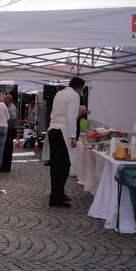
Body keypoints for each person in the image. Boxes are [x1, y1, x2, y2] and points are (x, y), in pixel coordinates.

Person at [47, 76, 84, 207]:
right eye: (81, 89)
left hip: (53, 129)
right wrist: (73, 136)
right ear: (79, 87)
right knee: (63, 166)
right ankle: (56, 198)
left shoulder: (59, 93)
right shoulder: (74, 96)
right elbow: (72, 117)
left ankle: (58, 193)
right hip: (62, 131)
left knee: (56, 165)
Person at [0, 91, 18, 172]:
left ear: (8, 100)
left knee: (8, 149)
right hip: (9, 129)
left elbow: (13, 118)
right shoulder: (9, 107)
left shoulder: (11, 108)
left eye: (4, 100)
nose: (3, 101)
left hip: (10, 130)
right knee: (6, 148)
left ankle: (6, 167)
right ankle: (5, 165)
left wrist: (5, 120)